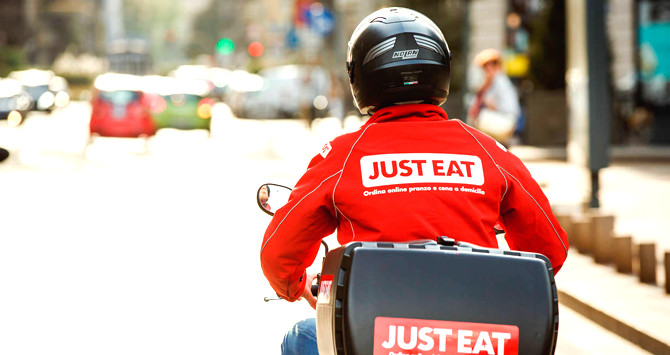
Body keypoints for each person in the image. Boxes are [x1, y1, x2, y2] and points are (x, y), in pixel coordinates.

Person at [260, 7, 568, 355]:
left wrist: (299, 286)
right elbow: (550, 249)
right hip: (475, 339)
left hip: (379, 337)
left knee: (299, 338)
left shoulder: (343, 157)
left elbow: (278, 256)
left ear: (359, 75)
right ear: (441, 69)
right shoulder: (487, 152)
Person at [467, 48, 522, 145]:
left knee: (480, 118)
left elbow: (511, 110)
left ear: (497, 66)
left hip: (506, 121)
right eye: (485, 67)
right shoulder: (488, 83)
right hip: (501, 120)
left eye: (492, 65)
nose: (488, 69)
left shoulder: (500, 81)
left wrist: (493, 105)